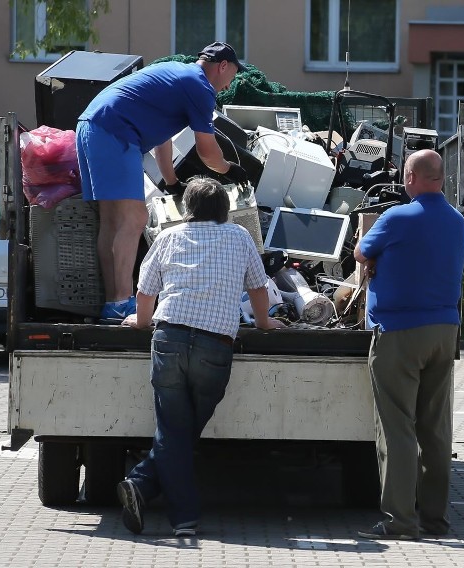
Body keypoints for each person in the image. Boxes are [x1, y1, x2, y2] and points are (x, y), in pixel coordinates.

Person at [118, 177, 285, 537]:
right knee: (182, 431)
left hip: (169, 337)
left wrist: (141, 321)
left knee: (174, 430)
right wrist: (264, 323)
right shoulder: (240, 236)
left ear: (187, 208)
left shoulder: (167, 237)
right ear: (224, 207)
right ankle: (183, 519)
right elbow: (258, 286)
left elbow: (145, 290)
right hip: (214, 346)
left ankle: (143, 486)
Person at [76, 41, 250, 320]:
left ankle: (113, 304)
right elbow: (207, 152)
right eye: (232, 76)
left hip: (92, 125)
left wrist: (171, 182)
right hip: (116, 131)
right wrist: (229, 169)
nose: (229, 85)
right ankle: (121, 301)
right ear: (223, 66)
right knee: (134, 219)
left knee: (111, 220)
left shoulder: (177, 74)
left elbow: (162, 139)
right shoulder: (201, 87)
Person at [353, 149, 464, 540]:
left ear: (412, 177)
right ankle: (435, 520)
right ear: (441, 179)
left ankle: (400, 521)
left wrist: (375, 262)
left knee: (397, 426)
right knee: (436, 429)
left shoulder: (395, 216)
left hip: (399, 331)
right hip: (444, 330)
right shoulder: (457, 222)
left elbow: (361, 252)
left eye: (405, 175)